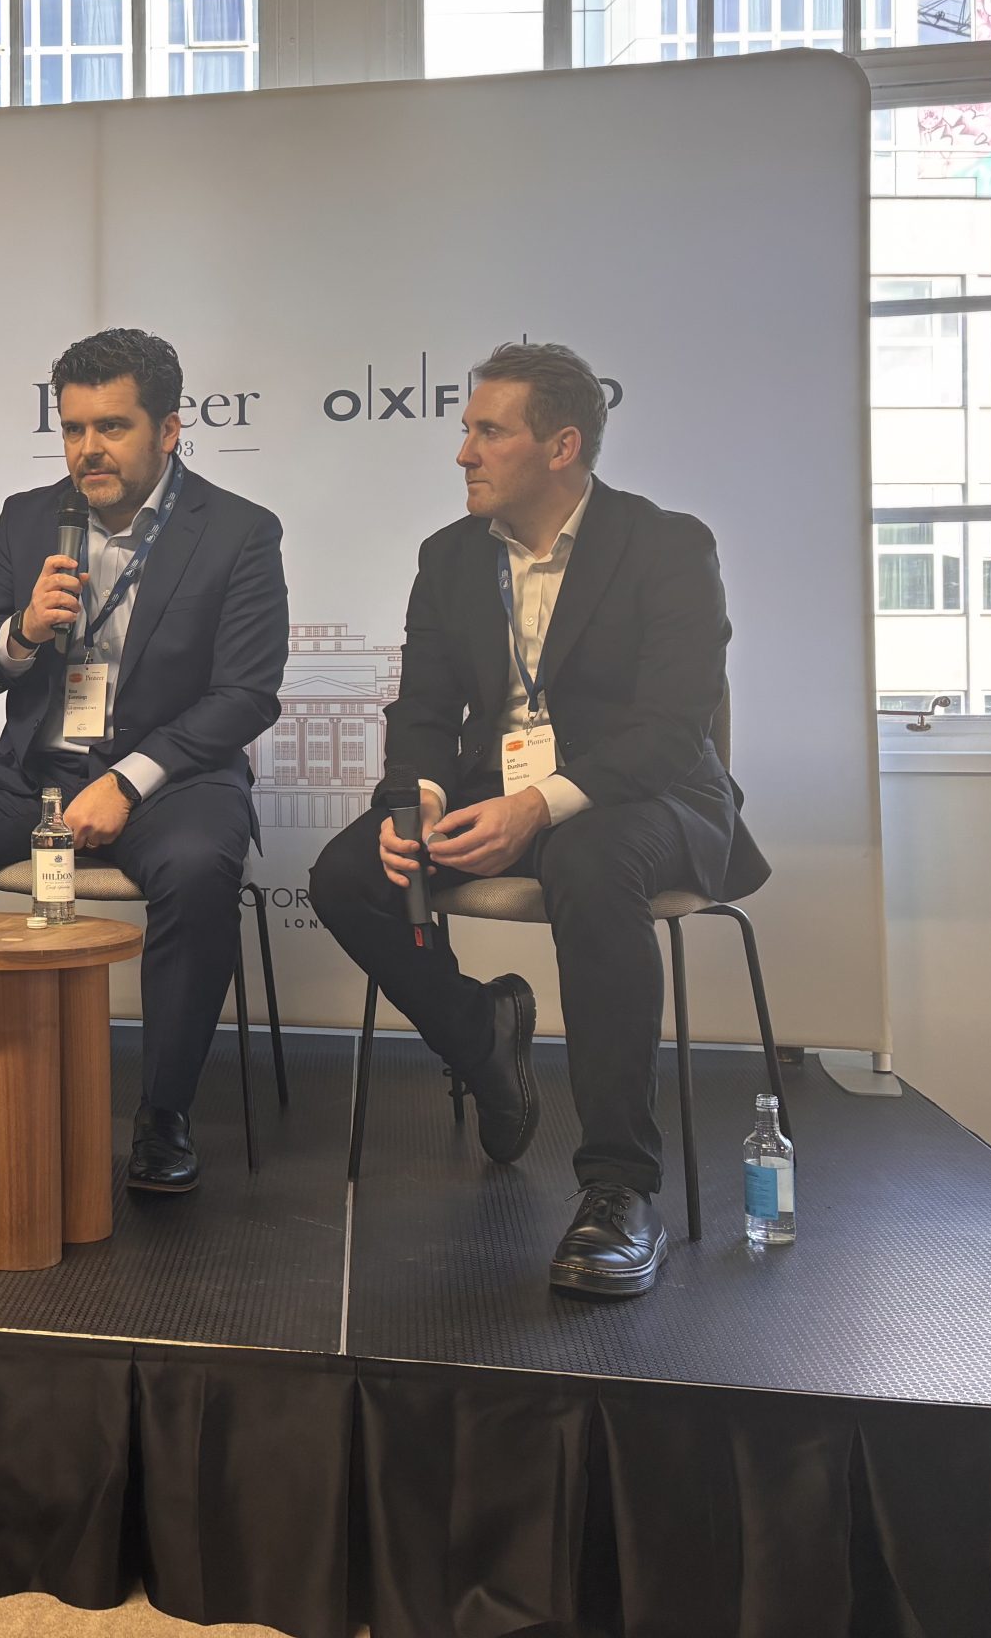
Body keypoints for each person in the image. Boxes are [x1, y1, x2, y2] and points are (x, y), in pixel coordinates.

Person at [306, 342, 767, 1300]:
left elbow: (672, 728)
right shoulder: (449, 556)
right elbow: (423, 714)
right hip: (499, 789)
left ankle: (618, 1188)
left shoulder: (668, 546)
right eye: (466, 430)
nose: (463, 453)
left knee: (590, 862)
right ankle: (482, 1038)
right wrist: (419, 801)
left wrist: (537, 807)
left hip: (650, 797)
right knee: (351, 873)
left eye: (488, 432)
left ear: (562, 447)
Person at [0, 328, 287, 1194]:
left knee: (198, 867)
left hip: (174, 776)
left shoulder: (239, 532)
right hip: (38, 767)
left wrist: (128, 781)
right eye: (72, 428)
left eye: (112, 427)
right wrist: (23, 630)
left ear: (167, 430)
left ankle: (164, 1113)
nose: (88, 449)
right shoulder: (30, 517)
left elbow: (245, 696)